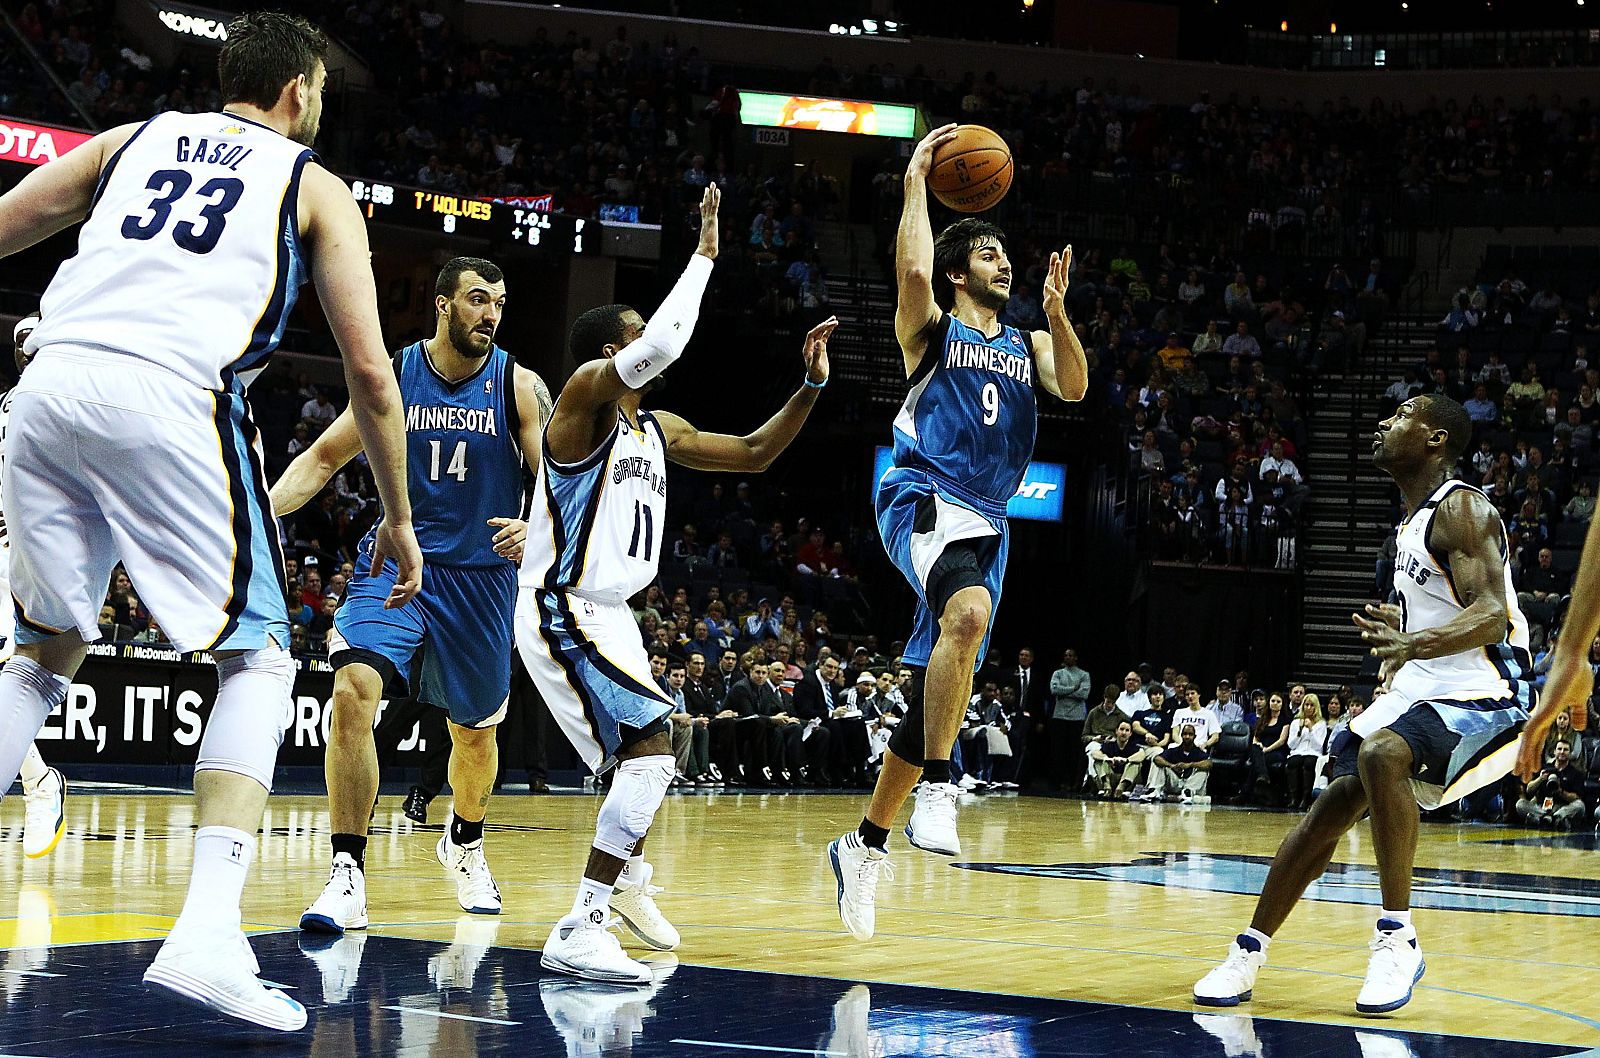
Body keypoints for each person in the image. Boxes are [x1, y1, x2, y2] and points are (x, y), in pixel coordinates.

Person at [0, 12, 422, 1031]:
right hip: (173, 401)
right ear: (296, 92)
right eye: (318, 91)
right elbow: (369, 372)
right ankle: (205, 932)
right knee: (262, 659)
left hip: (48, 379)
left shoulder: (131, 138)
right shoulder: (311, 181)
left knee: (39, 651)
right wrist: (399, 517)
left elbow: (8, 221)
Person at [516, 183, 837, 984]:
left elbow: (757, 452)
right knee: (655, 756)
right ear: (609, 351)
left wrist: (811, 386)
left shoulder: (659, 429)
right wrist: (702, 257)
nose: (649, 346)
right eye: (635, 337)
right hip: (563, 604)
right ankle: (583, 919)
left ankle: (624, 884)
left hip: (611, 613)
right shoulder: (579, 406)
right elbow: (660, 345)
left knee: (637, 766)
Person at [828, 122, 1088, 943]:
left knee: (940, 683)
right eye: (987, 255)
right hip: (923, 491)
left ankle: (863, 843)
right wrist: (914, 177)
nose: (1003, 264)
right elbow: (909, 267)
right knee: (968, 619)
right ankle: (943, 786)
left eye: (1007, 255)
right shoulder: (932, 330)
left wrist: (1059, 313)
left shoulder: (1027, 339)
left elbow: (1075, 389)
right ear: (955, 271)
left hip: (991, 514)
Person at [1195, 395, 1533, 1016]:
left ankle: (1397, 937)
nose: (1383, 422)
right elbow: (1440, 607)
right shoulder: (1408, 523)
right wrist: (1401, 624)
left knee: (1381, 754)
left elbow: (1489, 617)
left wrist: (1411, 642)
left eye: (1402, 415)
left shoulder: (1463, 507)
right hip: (1423, 682)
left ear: (1434, 438)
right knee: (1324, 815)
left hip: (1484, 688)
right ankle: (1248, 950)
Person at [274, 257, 547, 932]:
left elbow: (562, 481)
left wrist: (536, 522)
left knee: (475, 740)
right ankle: (346, 873)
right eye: (479, 300)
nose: (492, 314)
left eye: (500, 303)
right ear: (442, 305)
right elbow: (320, 460)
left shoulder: (518, 384)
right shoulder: (396, 375)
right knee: (350, 693)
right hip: (396, 563)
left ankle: (465, 841)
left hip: (482, 581)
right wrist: (251, 522)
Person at [2, 314, 66, 859]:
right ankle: (39, 781)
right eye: (21, 345)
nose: (26, 351)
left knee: (14, 675)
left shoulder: (74, 399)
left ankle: (40, 786)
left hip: (30, 554)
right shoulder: (8, 404)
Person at [1515, 739, 1587, 829]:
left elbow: (1576, 797)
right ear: (1554, 752)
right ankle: (1548, 819)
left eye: (1565, 750)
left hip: (1562, 807)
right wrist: (1540, 779)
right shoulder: (1544, 768)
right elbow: (1529, 790)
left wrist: (1560, 792)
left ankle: (1550, 818)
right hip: (1541, 807)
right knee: (1520, 804)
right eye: (1559, 749)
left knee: (1580, 806)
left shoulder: (1576, 773)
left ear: (1570, 753)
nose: (1562, 752)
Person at [1149, 724, 1211, 802]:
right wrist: (1171, 765)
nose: (1187, 736)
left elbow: (1209, 764)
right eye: (1185, 734)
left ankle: (1187, 793)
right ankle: (1154, 791)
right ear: (1181, 736)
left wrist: (1190, 765)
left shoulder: (1199, 752)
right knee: (1160, 765)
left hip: (1190, 783)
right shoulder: (1173, 750)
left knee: (1203, 771)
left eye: (1190, 734)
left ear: (1194, 736)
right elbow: (1156, 758)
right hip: (1174, 782)